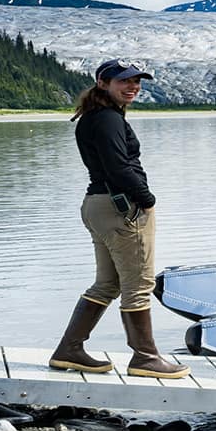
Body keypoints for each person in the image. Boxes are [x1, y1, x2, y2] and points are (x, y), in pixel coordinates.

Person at [49, 59, 188, 379]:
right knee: (139, 284)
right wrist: (147, 200)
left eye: (137, 81)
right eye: (124, 81)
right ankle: (145, 358)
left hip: (98, 205)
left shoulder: (94, 115)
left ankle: (69, 350)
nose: (133, 87)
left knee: (108, 283)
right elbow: (119, 168)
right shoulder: (108, 118)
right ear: (103, 83)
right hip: (121, 208)